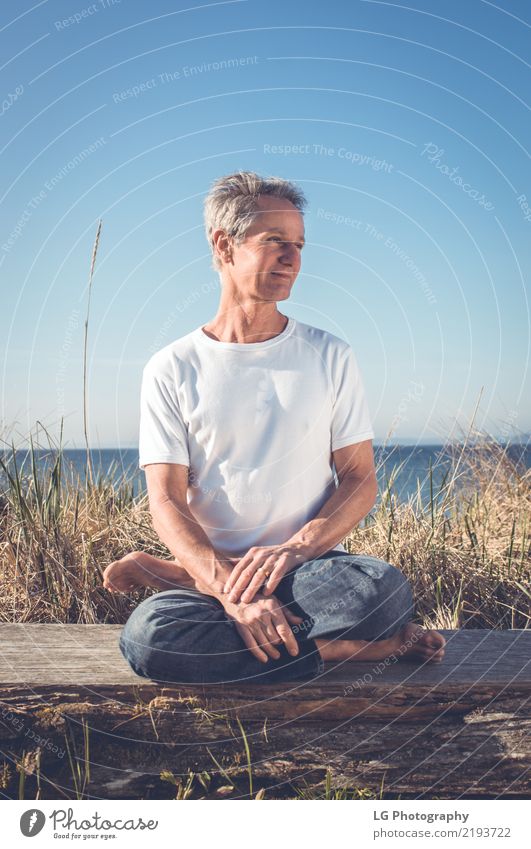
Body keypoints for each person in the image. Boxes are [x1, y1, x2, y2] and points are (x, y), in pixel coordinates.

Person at [104, 170, 445, 684]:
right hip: (218, 567)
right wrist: (230, 589)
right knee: (148, 640)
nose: (293, 258)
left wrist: (295, 548)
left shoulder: (330, 355)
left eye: (299, 244)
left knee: (382, 590)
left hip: (306, 574)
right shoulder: (172, 367)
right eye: (275, 242)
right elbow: (166, 500)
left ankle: (186, 582)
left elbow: (359, 479)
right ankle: (350, 650)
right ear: (224, 246)